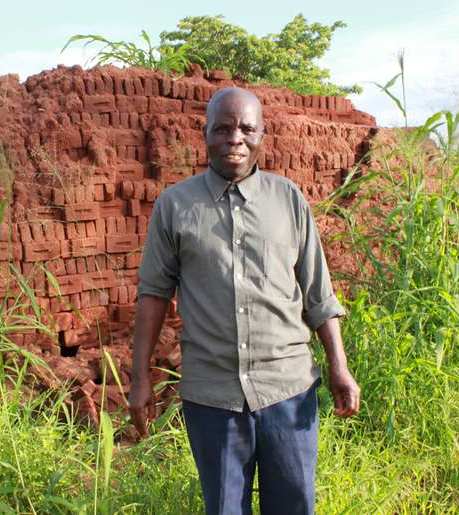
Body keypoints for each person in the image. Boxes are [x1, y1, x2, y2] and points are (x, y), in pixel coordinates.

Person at [128, 87, 360, 515]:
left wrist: (339, 367)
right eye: (223, 127)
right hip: (213, 398)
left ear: (261, 136)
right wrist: (139, 376)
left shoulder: (288, 199)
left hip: (288, 391)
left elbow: (318, 293)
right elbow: (153, 294)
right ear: (205, 134)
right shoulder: (176, 207)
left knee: (293, 506)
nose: (235, 137)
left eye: (246, 128)